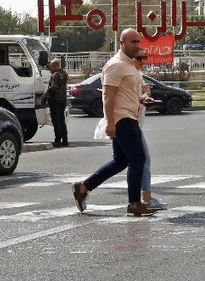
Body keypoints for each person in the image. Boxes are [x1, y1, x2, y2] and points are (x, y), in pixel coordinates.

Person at [73, 28, 158, 217]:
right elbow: (108, 96)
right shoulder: (116, 65)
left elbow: (127, 94)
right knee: (138, 159)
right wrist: (111, 122)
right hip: (122, 119)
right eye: (133, 42)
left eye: (138, 42)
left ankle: (83, 187)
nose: (137, 46)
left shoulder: (130, 66)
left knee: (120, 162)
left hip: (129, 116)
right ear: (122, 43)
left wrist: (143, 99)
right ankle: (134, 204)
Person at [132, 54, 168, 211]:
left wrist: (146, 94)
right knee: (143, 161)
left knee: (119, 162)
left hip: (132, 124)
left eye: (144, 58)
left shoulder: (137, 75)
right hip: (129, 124)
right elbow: (134, 99)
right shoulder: (130, 76)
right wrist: (146, 95)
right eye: (139, 58)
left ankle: (84, 187)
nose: (143, 61)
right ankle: (145, 199)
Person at [42, 59, 69, 147]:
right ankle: (65, 140)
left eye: (50, 67)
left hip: (55, 100)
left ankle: (57, 140)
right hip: (63, 100)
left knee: (56, 120)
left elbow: (53, 87)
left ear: (55, 66)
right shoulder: (64, 73)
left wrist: (45, 94)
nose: (49, 69)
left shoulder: (55, 75)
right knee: (62, 120)